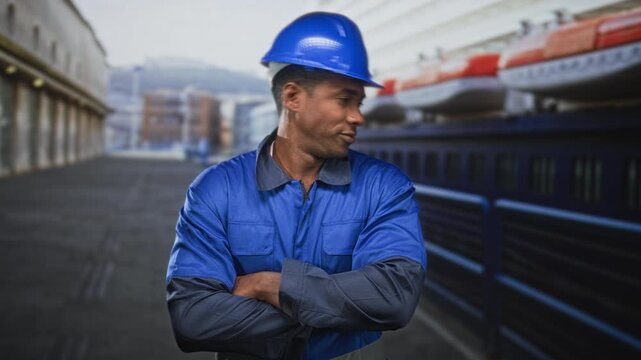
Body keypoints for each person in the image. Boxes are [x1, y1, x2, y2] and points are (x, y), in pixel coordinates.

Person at [166, 12, 427, 360]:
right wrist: (338, 309)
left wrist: (268, 285)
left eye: (359, 103)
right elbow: (193, 317)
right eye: (344, 99)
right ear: (292, 97)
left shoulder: (384, 187)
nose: (358, 116)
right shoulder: (217, 188)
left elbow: (394, 298)